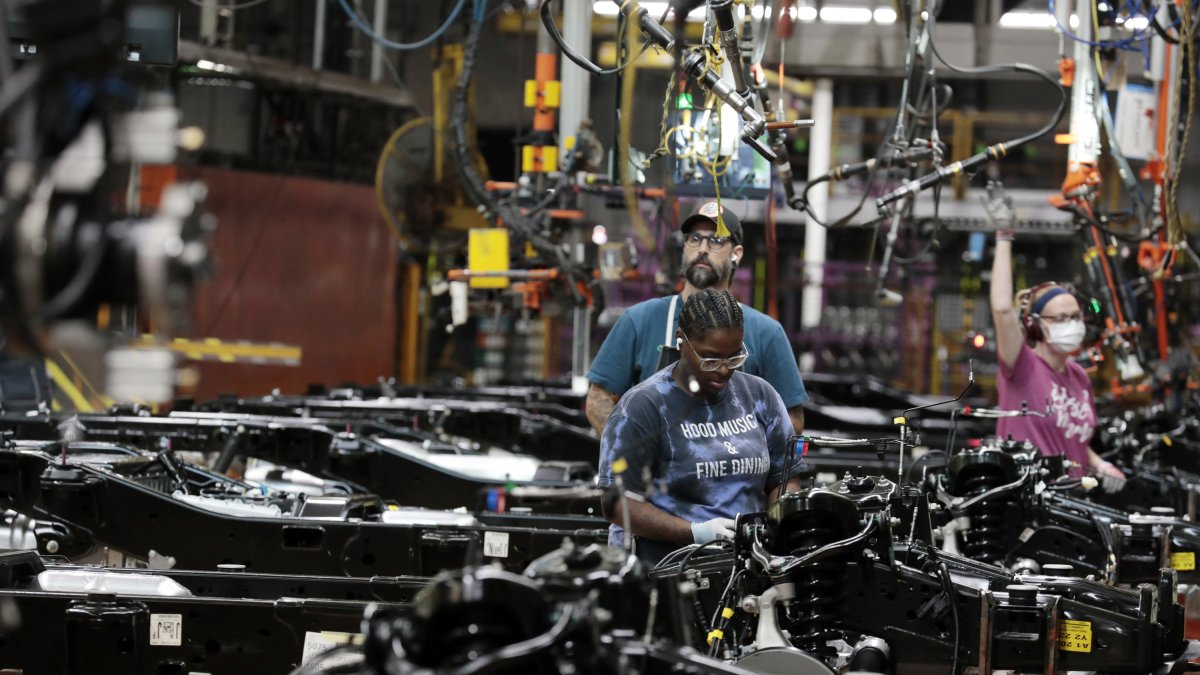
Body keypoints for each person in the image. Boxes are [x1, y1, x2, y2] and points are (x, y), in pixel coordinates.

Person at [597, 288, 802, 565]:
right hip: (669, 570)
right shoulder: (643, 408)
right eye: (710, 359)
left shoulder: (760, 397)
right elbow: (617, 505)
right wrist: (695, 532)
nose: (723, 370)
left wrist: (779, 526)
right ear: (681, 340)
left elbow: (783, 478)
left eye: (734, 357)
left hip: (748, 567)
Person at [585, 201, 808, 436]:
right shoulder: (639, 320)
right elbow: (598, 398)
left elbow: (792, 418)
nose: (702, 248)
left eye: (716, 240)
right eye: (694, 238)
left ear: (736, 254)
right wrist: (633, 449)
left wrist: (746, 452)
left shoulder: (766, 333)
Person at [986, 182, 1125, 484]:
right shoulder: (1021, 367)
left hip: (1070, 502)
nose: (1071, 323)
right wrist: (1004, 235)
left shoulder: (1080, 378)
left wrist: (1100, 465)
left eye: (1075, 316)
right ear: (1036, 324)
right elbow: (1001, 308)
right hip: (1029, 506)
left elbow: (1074, 441)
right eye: (1060, 318)